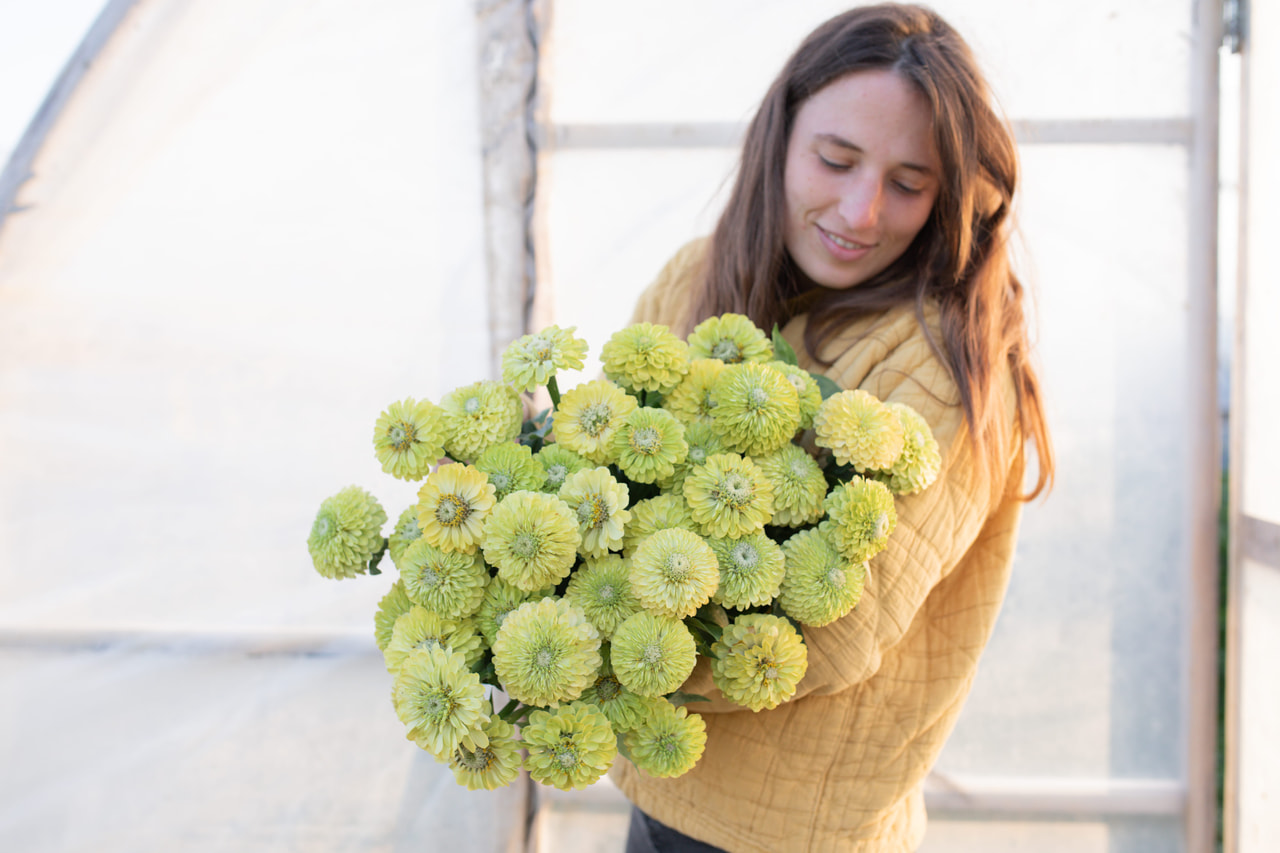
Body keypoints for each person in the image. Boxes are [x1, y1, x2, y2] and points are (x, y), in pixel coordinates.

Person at [611, 4, 1055, 851]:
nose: (860, 211)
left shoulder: (944, 356)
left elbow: (837, 625)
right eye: (836, 159)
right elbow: (602, 479)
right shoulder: (692, 279)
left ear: (952, 191)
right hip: (662, 793)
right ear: (780, 135)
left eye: (908, 182)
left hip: (802, 835)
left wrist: (601, 646)